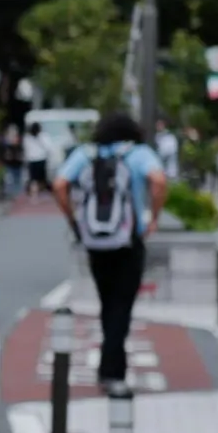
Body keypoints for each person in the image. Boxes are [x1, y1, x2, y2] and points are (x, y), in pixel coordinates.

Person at [59, 109, 167, 385]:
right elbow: (159, 181)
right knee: (122, 304)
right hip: (129, 241)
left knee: (107, 301)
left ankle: (111, 363)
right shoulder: (138, 153)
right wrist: (153, 218)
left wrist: (74, 219)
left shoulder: (86, 153)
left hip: (95, 241)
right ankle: (112, 369)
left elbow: (60, 183)